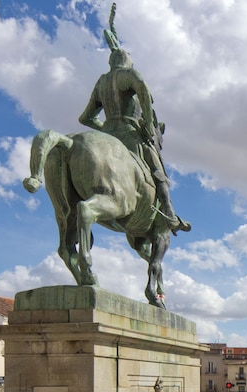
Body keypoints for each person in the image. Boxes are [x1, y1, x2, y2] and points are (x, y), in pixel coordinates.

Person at [78, 4, 189, 235]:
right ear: (128, 63)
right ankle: (169, 213)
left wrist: (104, 130)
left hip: (107, 134)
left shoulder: (101, 82)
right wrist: (148, 123)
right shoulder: (129, 75)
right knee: (159, 172)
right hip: (131, 136)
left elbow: (86, 118)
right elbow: (144, 92)